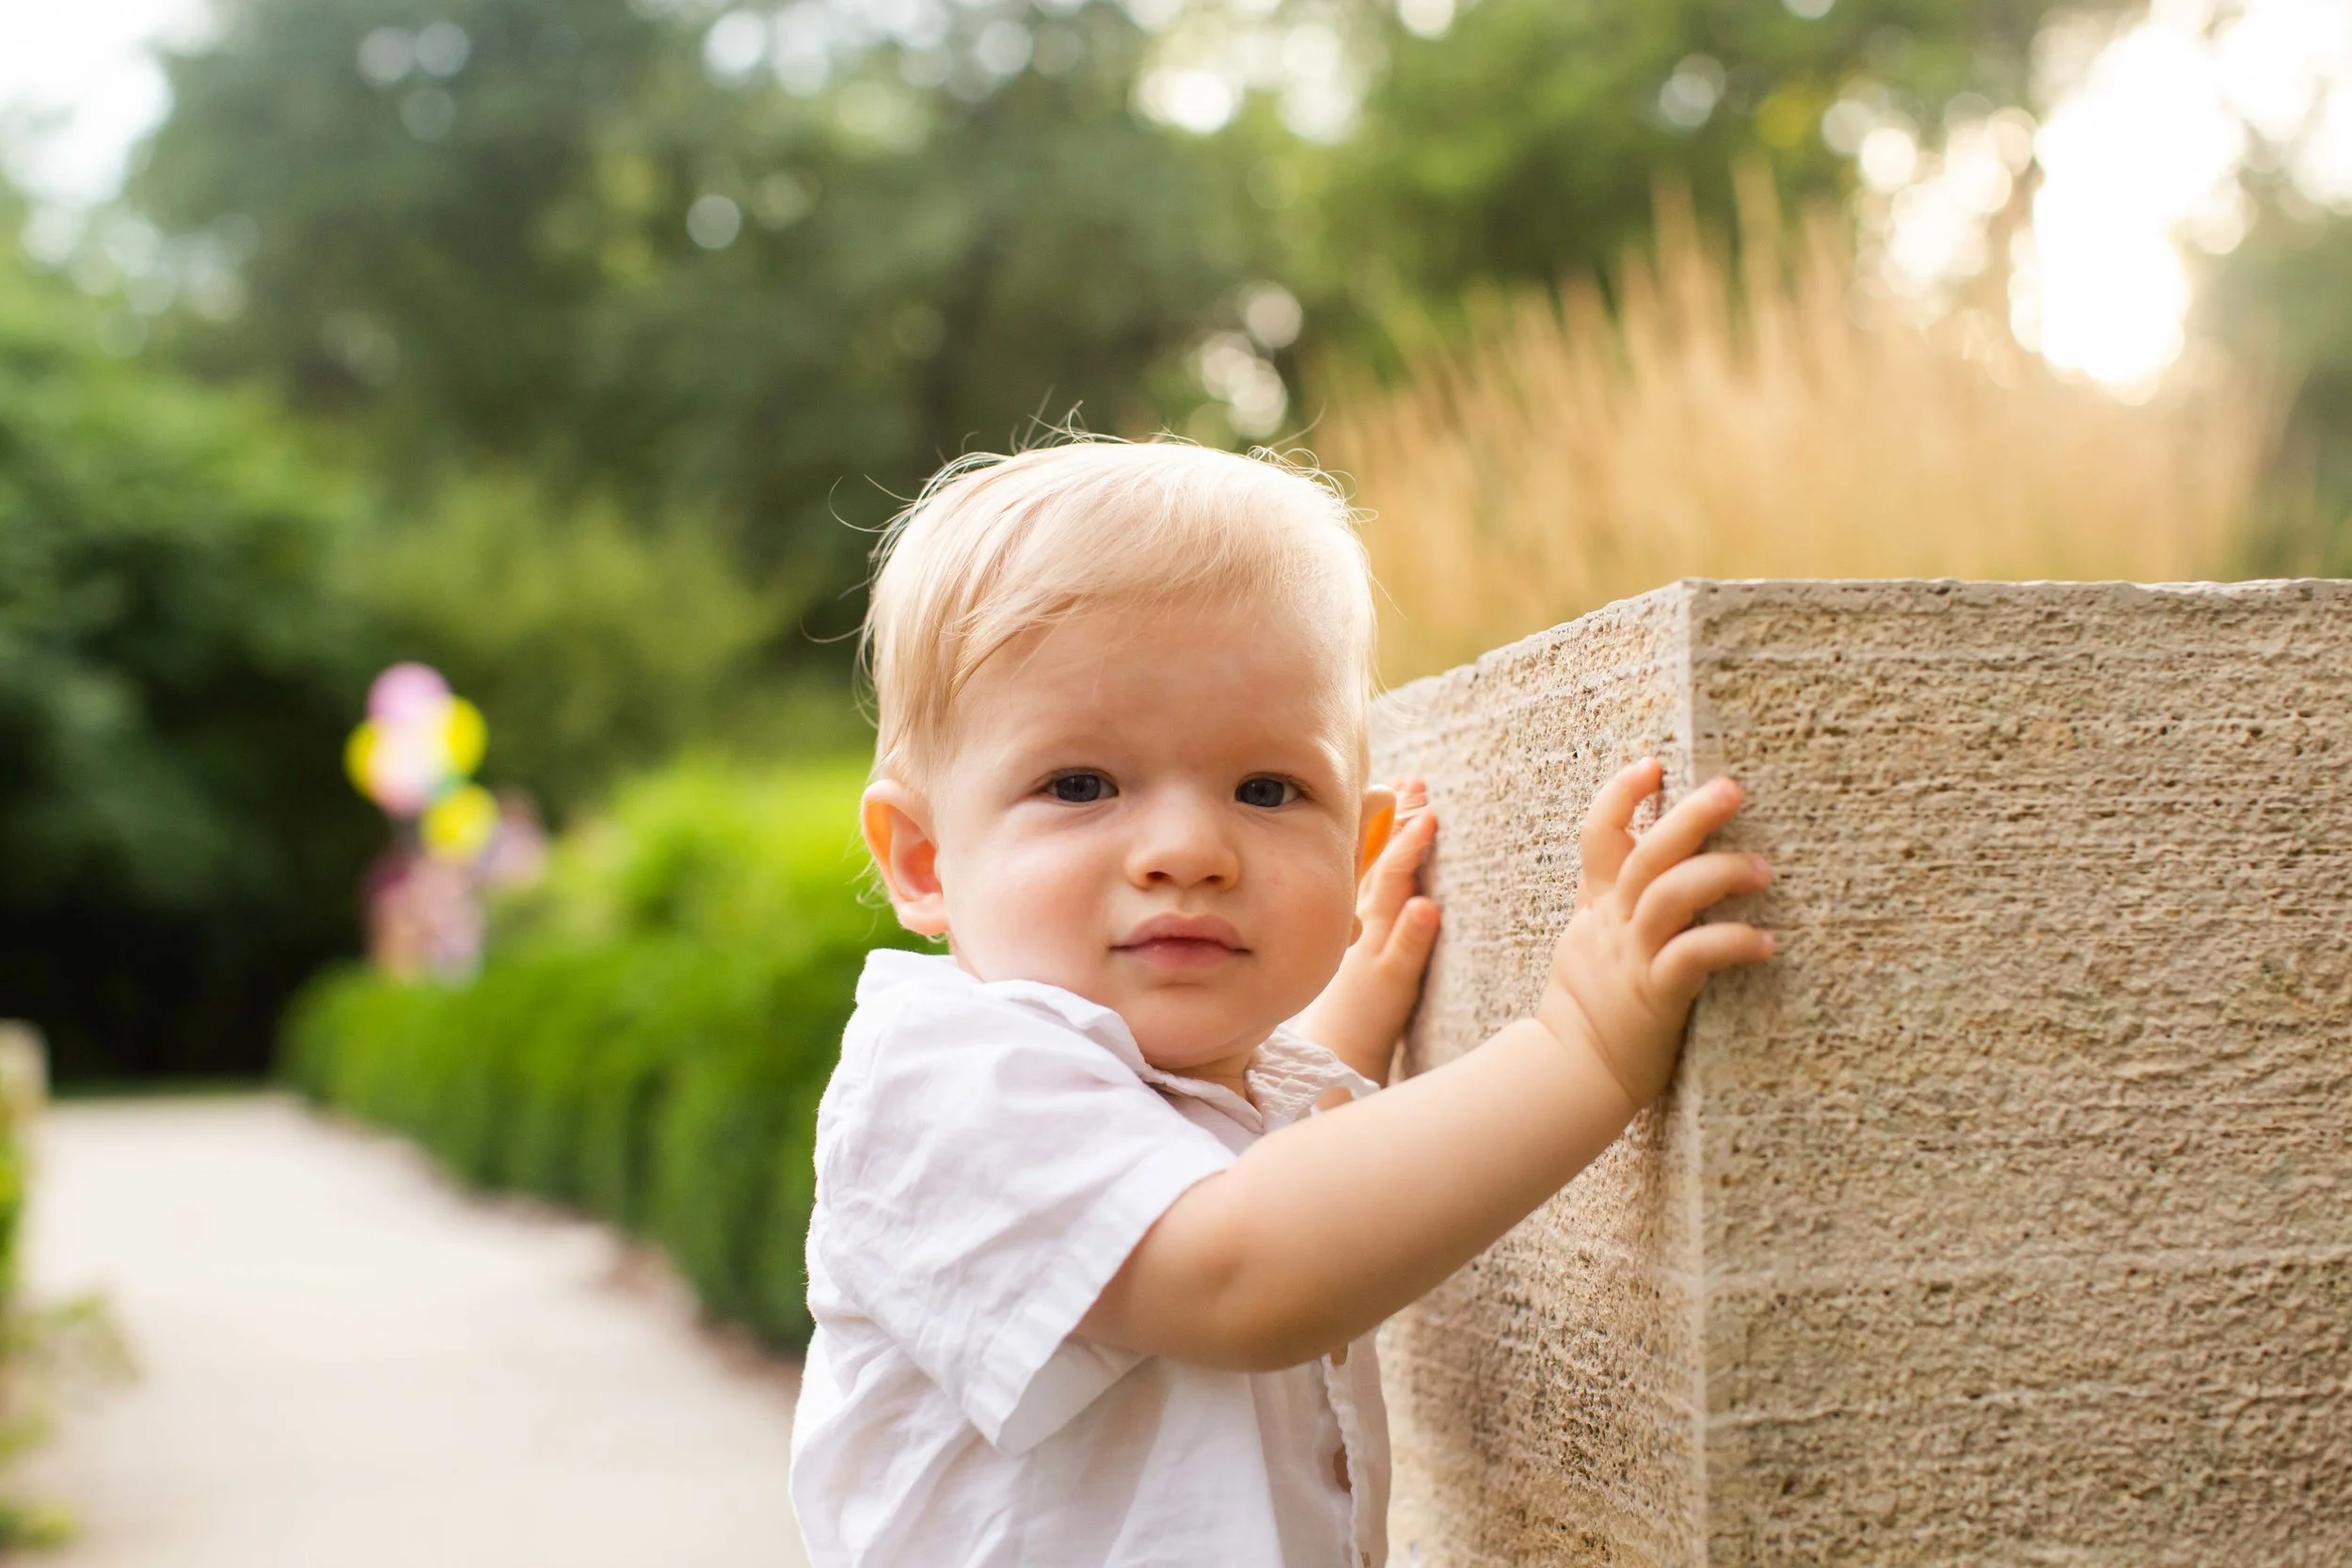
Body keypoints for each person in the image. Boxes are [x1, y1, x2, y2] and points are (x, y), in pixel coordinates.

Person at [789, 438, 1775, 1566]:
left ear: (1354, 851)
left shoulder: (1198, 1081)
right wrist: (1582, 1045)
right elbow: (1237, 1268)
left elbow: (1232, 1156)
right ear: (923, 859)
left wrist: (1333, 1035)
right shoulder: (946, 1083)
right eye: (1080, 784)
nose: (1187, 849)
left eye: (1267, 789)